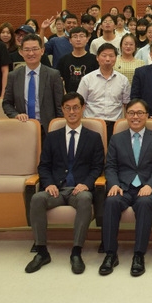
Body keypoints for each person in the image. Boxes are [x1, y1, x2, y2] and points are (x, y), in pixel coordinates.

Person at [25, 92, 105, 275]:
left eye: (76, 107)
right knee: (37, 198)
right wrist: (48, 184)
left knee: (85, 199)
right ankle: (42, 251)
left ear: (83, 108)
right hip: (57, 190)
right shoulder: (52, 137)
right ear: (62, 110)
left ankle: (76, 252)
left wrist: (86, 184)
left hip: (79, 190)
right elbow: (44, 166)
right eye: (67, 108)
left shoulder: (93, 137)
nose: (72, 112)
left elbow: (97, 167)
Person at [99, 99, 152, 277]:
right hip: (122, 186)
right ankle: (110, 254)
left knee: (144, 204)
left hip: (147, 187)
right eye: (131, 113)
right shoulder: (117, 139)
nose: (135, 117)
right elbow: (110, 166)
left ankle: (138, 255)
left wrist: (150, 185)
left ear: (147, 116)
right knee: (111, 201)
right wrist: (114, 184)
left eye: (140, 113)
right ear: (126, 115)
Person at [2, 34, 64, 139]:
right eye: (27, 50)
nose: (31, 53)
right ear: (21, 52)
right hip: (23, 127)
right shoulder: (14, 76)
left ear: (42, 51)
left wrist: (58, 129)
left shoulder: (53, 75)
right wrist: (16, 115)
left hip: (48, 129)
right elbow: (7, 103)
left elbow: (60, 106)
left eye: (35, 49)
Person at [77, 43, 130, 138]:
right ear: (97, 57)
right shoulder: (87, 79)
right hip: (91, 124)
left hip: (115, 125)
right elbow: (80, 103)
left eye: (111, 56)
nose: (108, 59)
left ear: (116, 58)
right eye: (104, 55)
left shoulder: (123, 80)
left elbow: (126, 105)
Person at [56, 27, 97, 93]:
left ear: (87, 39)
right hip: (70, 96)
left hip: (90, 95)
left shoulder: (94, 59)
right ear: (70, 40)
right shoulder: (63, 60)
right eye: (75, 37)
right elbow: (59, 80)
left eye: (81, 36)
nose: (78, 39)